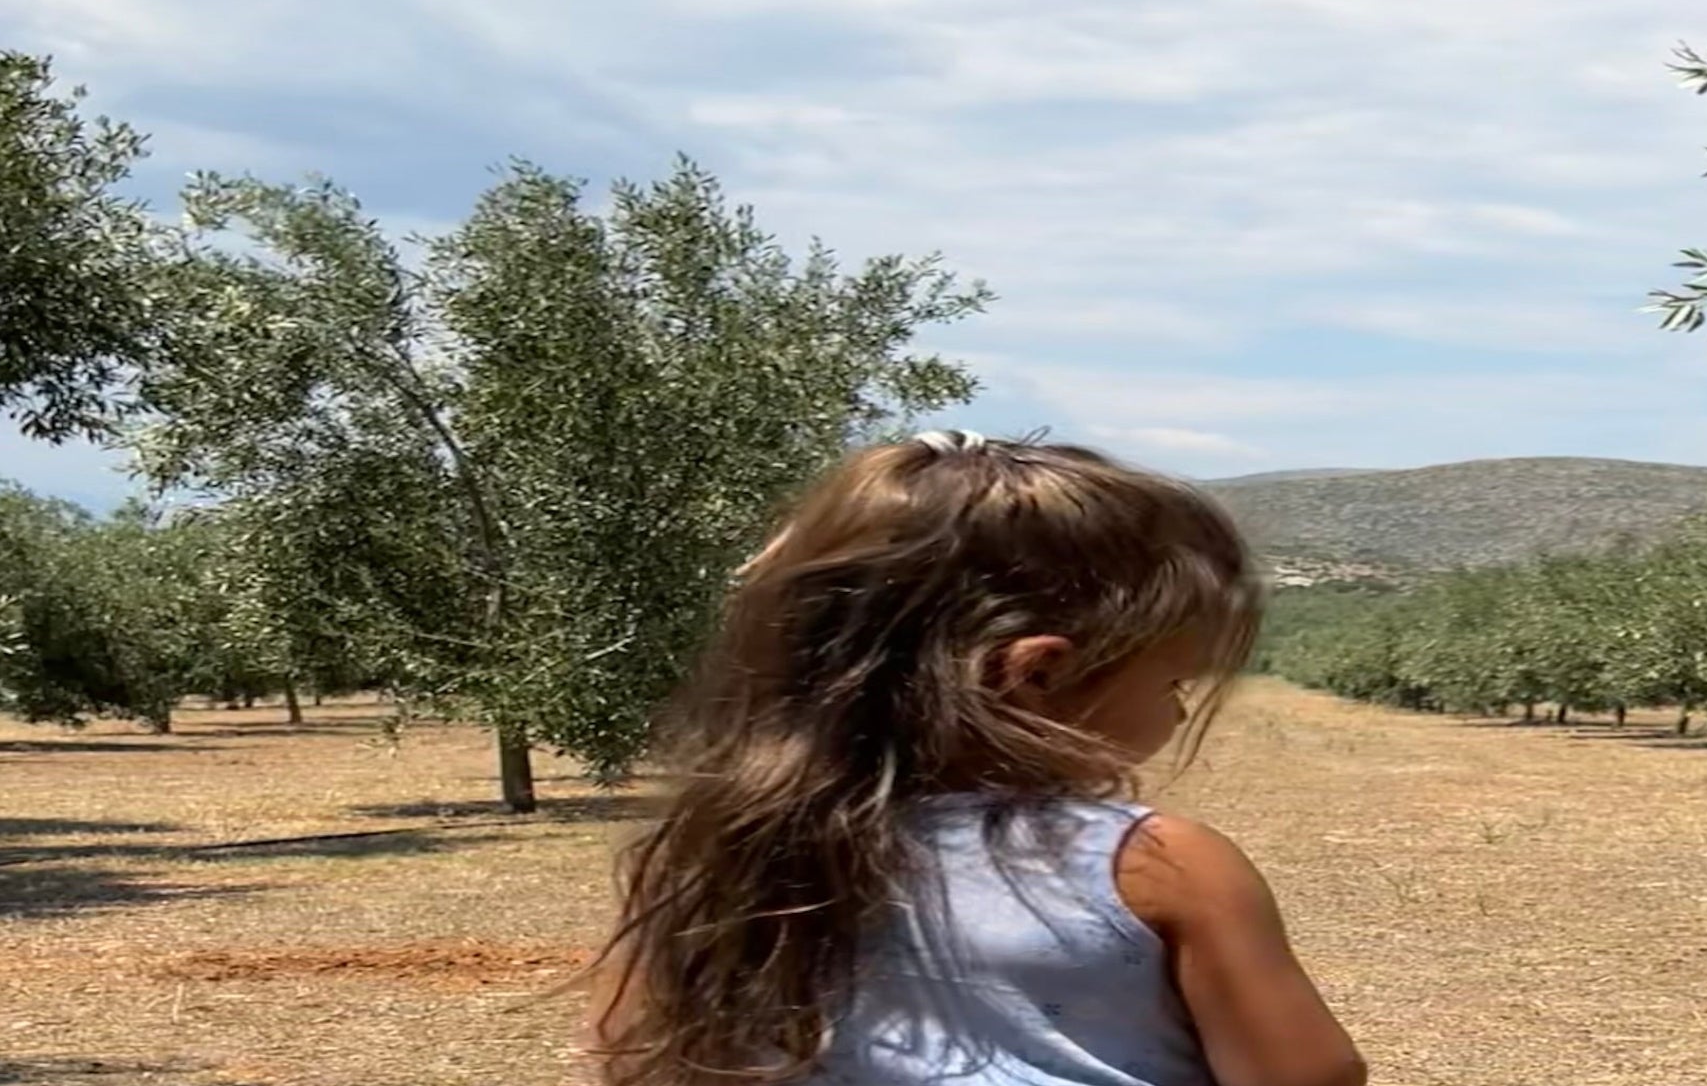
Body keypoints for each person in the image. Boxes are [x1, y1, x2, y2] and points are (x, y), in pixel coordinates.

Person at [578, 431, 1365, 1086]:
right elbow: (1311, 1076)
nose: (1180, 710)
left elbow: (630, 1055)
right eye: (1173, 681)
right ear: (1039, 674)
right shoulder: (1163, 867)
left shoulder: (712, 859)